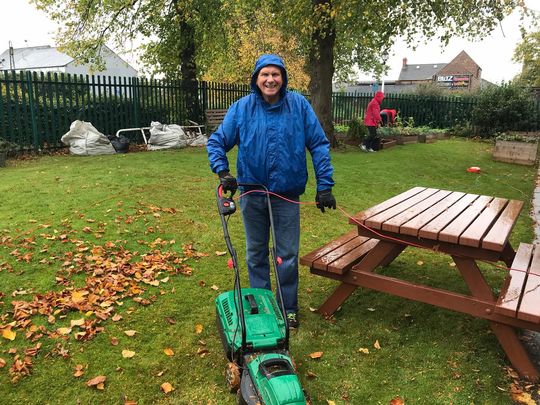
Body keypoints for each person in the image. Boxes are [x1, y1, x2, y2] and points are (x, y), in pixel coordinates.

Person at [206, 54, 336, 329]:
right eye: (265, 74)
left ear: (283, 78)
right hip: (252, 193)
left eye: (275, 74)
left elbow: (319, 144)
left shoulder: (298, 105)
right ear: (256, 79)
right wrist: (223, 172)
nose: (270, 79)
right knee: (255, 253)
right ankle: (262, 306)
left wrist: (324, 186)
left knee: (287, 255)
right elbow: (218, 141)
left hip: (286, 195)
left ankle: (287, 308)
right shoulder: (242, 109)